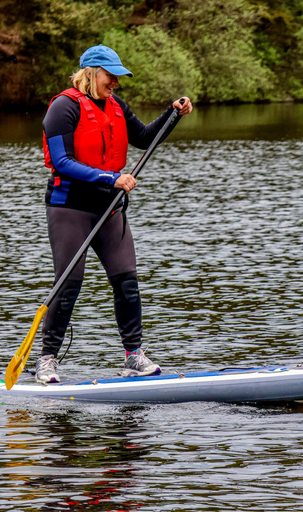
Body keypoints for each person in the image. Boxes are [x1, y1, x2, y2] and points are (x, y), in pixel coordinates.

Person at [38, 44, 193, 383]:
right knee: (69, 284)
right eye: (112, 76)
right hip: (70, 209)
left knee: (127, 281)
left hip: (109, 209)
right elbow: (62, 162)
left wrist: (172, 114)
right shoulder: (63, 108)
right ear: (92, 73)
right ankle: (47, 359)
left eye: (119, 78)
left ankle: (133, 356)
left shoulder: (116, 106)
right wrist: (112, 178)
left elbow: (145, 138)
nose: (116, 84)